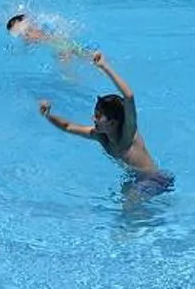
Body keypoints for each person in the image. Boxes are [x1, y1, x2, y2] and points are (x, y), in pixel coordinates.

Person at [40, 51, 173, 196]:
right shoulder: (100, 136)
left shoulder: (128, 134)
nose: (93, 119)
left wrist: (104, 66)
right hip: (135, 178)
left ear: (113, 122)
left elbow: (128, 96)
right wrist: (48, 115)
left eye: (98, 116)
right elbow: (68, 126)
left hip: (155, 179)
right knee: (124, 200)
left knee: (129, 206)